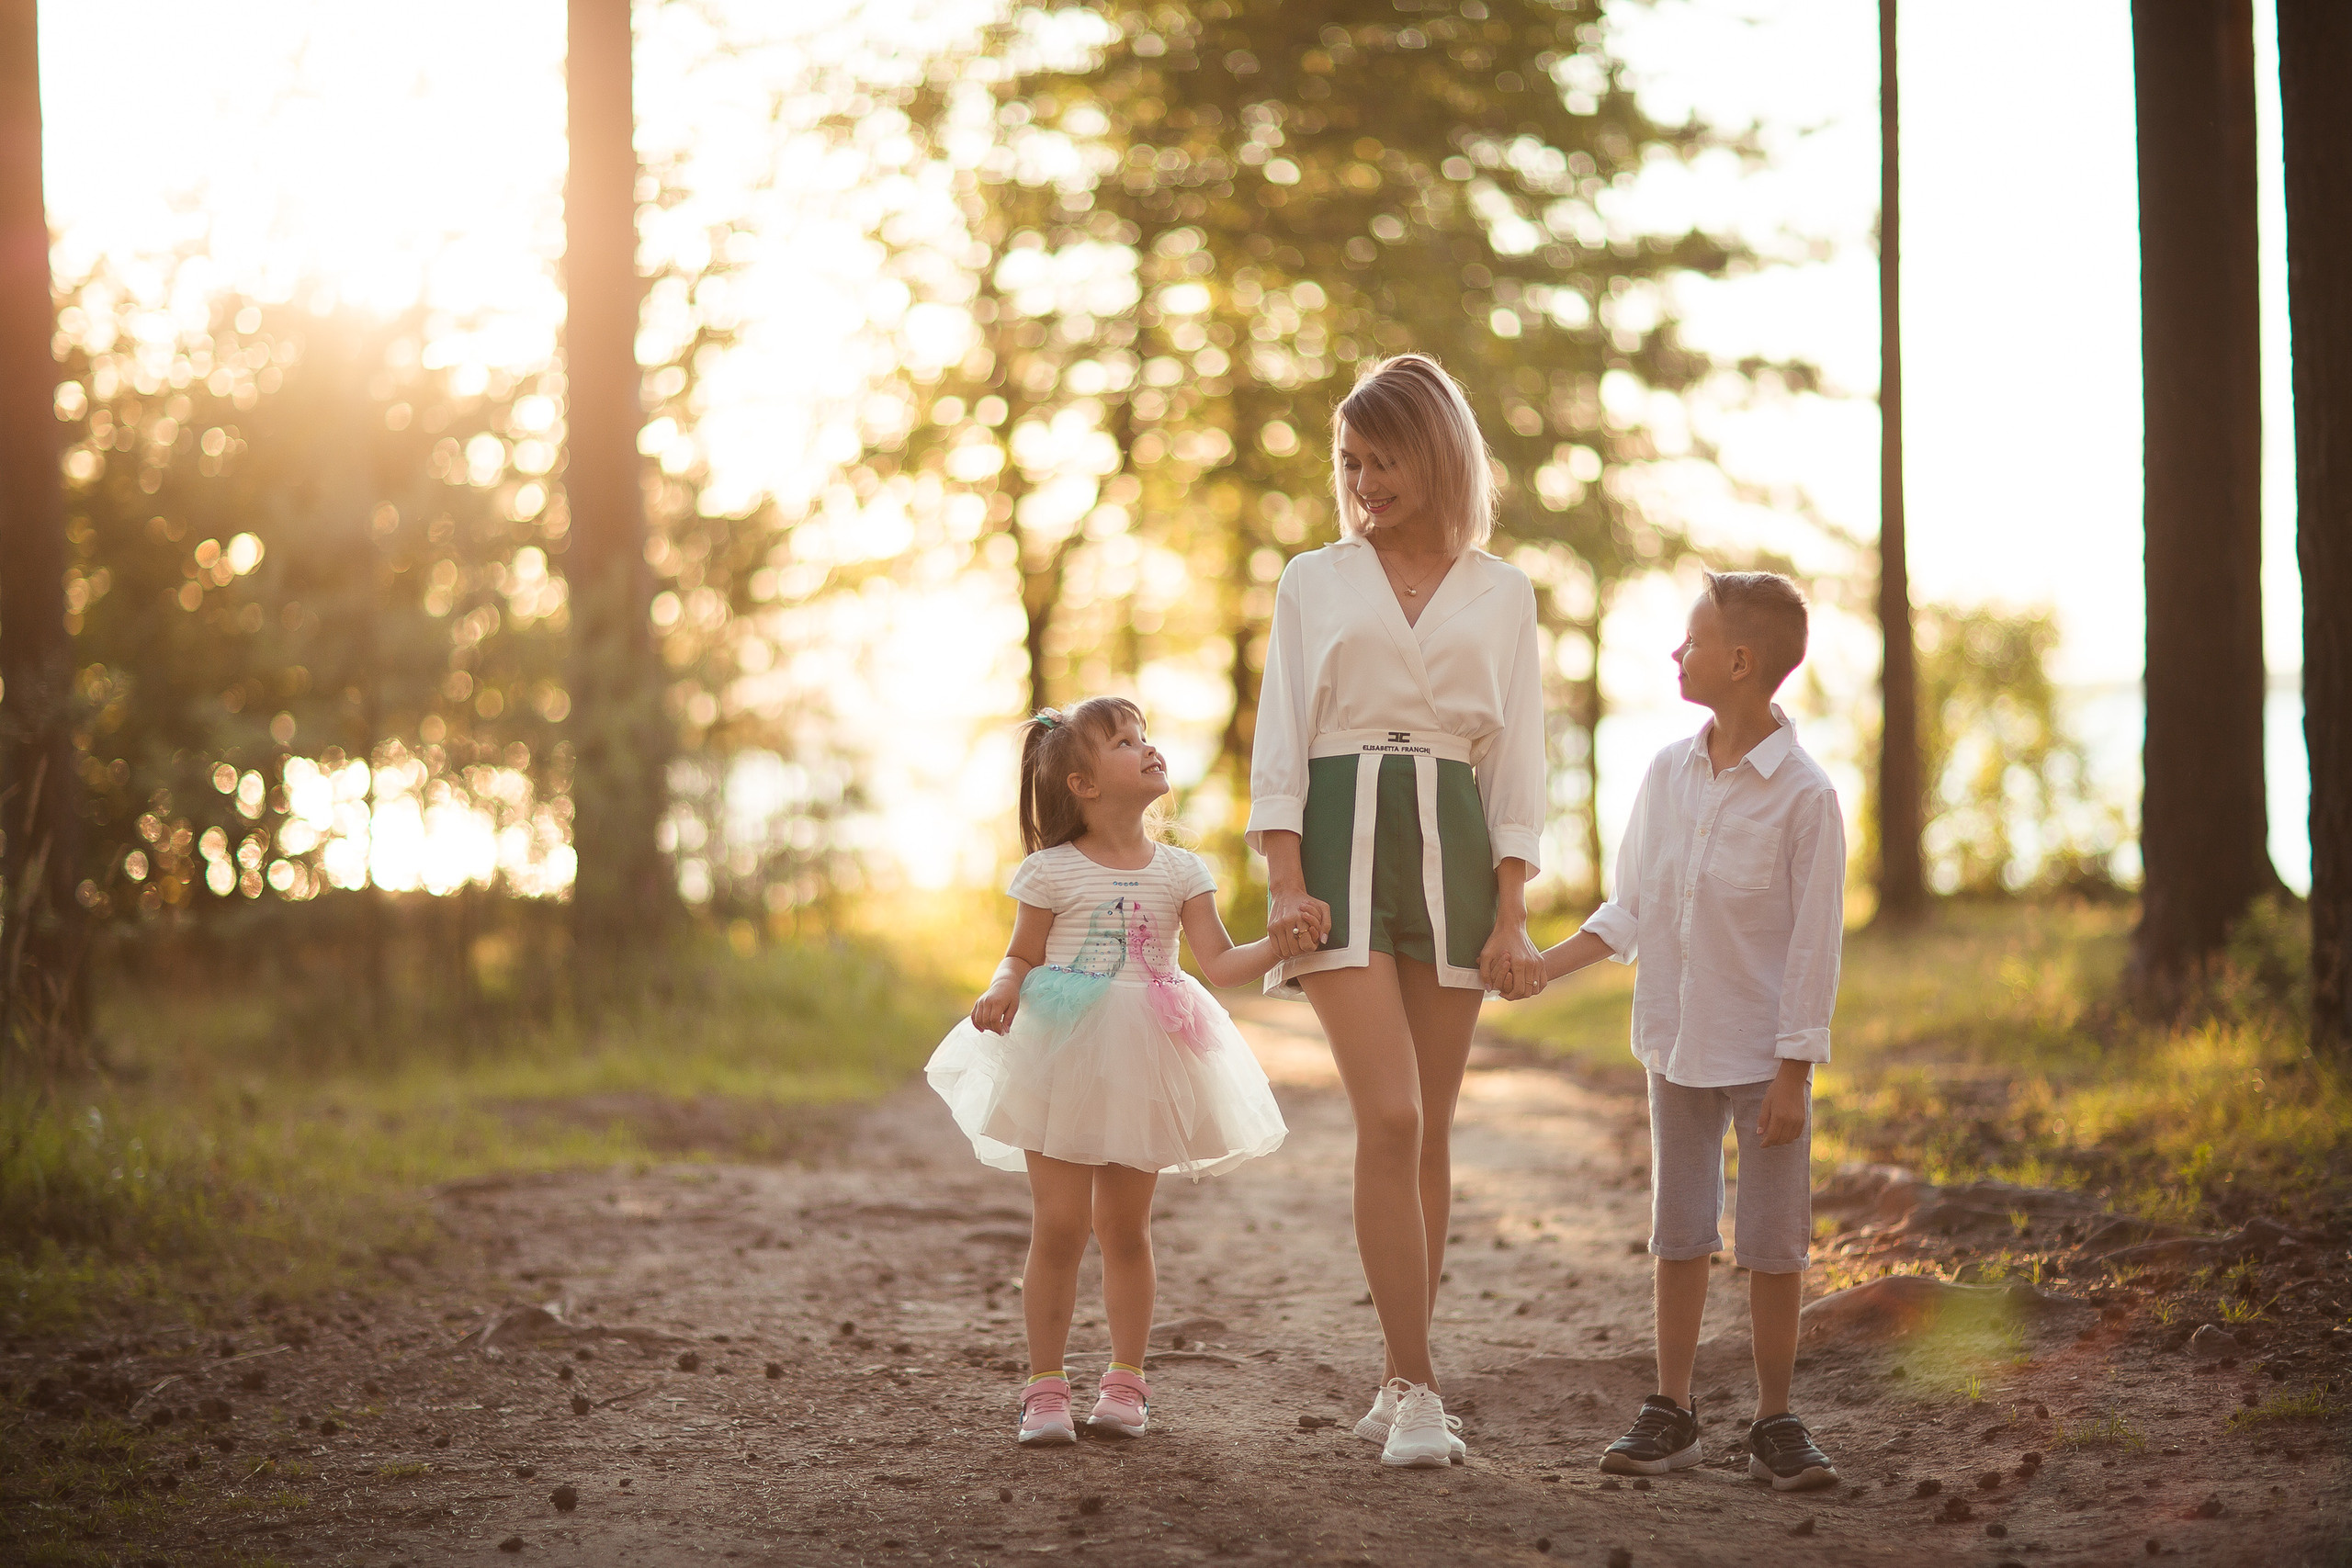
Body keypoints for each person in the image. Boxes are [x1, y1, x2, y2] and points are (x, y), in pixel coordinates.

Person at [1247, 353, 1548, 1469]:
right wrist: (1284, 879)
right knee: (1390, 1117)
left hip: (1454, 845)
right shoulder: (1312, 579)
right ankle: (1420, 1392)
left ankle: (1393, 1375)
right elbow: (1280, 738)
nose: (1363, 482)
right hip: (1339, 837)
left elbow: (1515, 762)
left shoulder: (1502, 592)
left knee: (1430, 1125)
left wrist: (1510, 911)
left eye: (1382, 461)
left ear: (1435, 455)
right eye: (1351, 462)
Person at [1531, 570, 1844, 1493]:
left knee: (1773, 1242)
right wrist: (1541, 967)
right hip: (1675, 1044)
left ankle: (1774, 1420)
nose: (1676, 653)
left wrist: (1793, 1072)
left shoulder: (1803, 796)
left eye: (1691, 640)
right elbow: (1629, 908)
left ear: (1739, 661)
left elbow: (1814, 949)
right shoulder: (1667, 773)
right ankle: (1672, 1411)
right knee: (1678, 1232)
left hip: (1764, 1057)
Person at [926, 696, 1293, 1448]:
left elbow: (1220, 963)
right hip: (1062, 1050)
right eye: (1125, 741)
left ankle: (1126, 1382)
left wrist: (1283, 942)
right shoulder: (1050, 871)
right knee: (1058, 1224)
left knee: (1125, 1227)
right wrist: (1001, 988)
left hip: (1146, 1056)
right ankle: (1044, 1388)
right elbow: (1021, 954)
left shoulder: (1183, 870)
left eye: (1146, 736)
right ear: (1084, 786)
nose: (1148, 748)